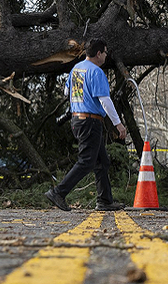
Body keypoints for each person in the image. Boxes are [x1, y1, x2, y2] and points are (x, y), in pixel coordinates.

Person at [44, 39, 128, 211]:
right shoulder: (96, 73)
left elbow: (67, 92)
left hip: (77, 119)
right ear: (98, 53)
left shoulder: (76, 69)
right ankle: (58, 192)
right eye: (105, 52)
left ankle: (104, 200)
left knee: (102, 161)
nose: (105, 55)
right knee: (87, 161)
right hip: (90, 121)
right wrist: (118, 124)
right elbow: (105, 101)